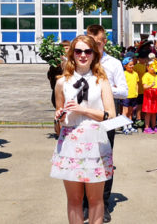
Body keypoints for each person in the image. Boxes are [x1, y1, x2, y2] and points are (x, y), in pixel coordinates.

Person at [52, 35, 116, 224]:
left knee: (96, 199)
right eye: (78, 51)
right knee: (74, 199)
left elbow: (111, 115)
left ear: (94, 54)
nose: (82, 55)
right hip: (70, 143)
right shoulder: (62, 82)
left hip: (96, 143)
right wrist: (59, 118)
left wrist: (84, 110)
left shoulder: (101, 81)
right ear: (72, 54)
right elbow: (57, 125)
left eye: (87, 51)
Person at [86, 24, 127, 222]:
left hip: (106, 118)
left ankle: (103, 203)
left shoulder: (114, 63)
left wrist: (103, 88)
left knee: (104, 161)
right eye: (88, 41)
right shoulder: (82, 60)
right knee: (84, 161)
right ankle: (86, 204)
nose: (91, 46)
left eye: (96, 43)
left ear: (104, 42)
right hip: (84, 119)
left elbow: (125, 91)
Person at [141, 60, 157, 133]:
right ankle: (147, 128)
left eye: (154, 67)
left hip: (156, 94)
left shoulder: (156, 75)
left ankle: (153, 126)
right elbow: (144, 86)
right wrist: (150, 86)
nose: (153, 68)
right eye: (151, 67)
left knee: (154, 112)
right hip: (149, 94)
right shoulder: (146, 75)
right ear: (147, 67)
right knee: (148, 112)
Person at [121, 57, 139, 134]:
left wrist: (136, 92)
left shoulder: (135, 74)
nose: (132, 66)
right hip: (126, 96)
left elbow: (137, 84)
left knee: (131, 112)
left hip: (133, 95)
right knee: (125, 111)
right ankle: (124, 126)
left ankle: (129, 125)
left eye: (132, 65)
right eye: (130, 65)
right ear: (125, 66)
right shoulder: (124, 74)